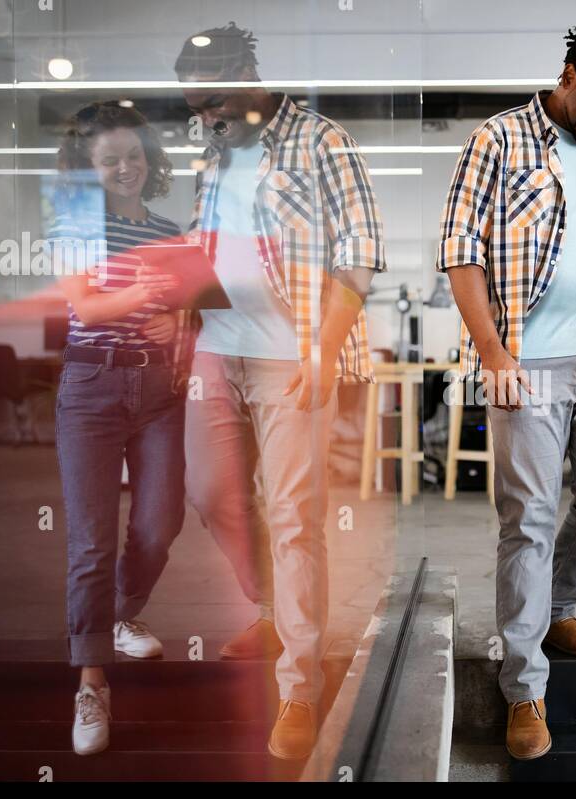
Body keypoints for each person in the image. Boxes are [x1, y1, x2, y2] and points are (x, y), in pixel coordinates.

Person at [437, 19, 576, 761]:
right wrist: (492, 350)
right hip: (527, 358)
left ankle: (559, 605)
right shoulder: (497, 140)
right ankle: (525, 686)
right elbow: (460, 250)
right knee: (525, 514)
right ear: (569, 73)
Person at [173, 23, 385, 760]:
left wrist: (325, 351)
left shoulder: (322, 142)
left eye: (213, 102)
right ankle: (270, 605)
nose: (205, 117)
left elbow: (359, 255)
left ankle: (300, 683)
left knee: (295, 515)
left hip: (291, 356)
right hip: (216, 352)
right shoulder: (213, 151)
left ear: (248, 76)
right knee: (210, 492)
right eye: (196, 108)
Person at [50, 101, 187, 756]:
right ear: (88, 167)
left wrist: (174, 323)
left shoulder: (167, 228)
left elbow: (188, 310)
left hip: (158, 388)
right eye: (111, 160)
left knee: (160, 523)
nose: (127, 167)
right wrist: (144, 296)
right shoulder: (75, 224)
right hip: (91, 389)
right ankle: (91, 679)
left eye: (135, 155)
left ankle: (115, 614)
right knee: (91, 541)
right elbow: (86, 305)